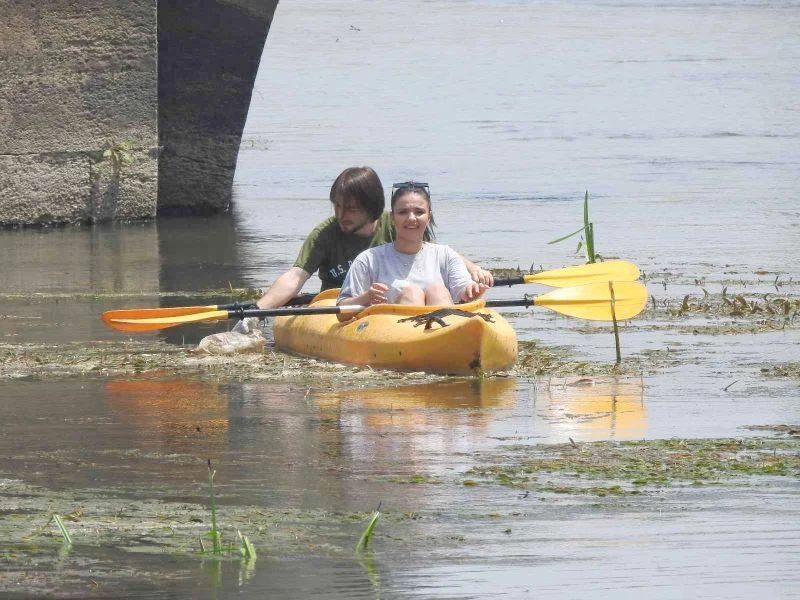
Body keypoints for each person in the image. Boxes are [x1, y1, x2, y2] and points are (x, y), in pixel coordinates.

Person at [255, 167, 492, 309]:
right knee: (411, 293)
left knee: (434, 291)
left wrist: (472, 271)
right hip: (348, 303)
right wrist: (259, 309)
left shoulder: (400, 223)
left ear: (373, 210)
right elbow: (295, 276)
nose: (341, 215)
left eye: (351, 209)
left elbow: (433, 252)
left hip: (400, 301)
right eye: (337, 207)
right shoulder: (327, 234)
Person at [336, 181, 489, 318]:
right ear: (392, 218)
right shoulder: (368, 259)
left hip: (443, 332)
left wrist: (471, 291)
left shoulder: (446, 255)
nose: (411, 218)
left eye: (419, 212)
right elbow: (341, 313)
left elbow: (462, 287)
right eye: (403, 212)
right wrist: (366, 298)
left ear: (429, 217)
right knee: (412, 293)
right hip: (393, 335)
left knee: (438, 291)